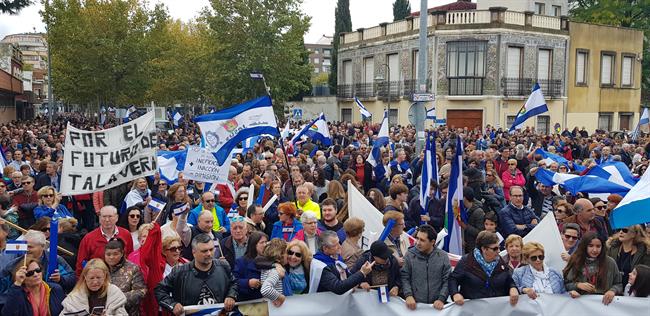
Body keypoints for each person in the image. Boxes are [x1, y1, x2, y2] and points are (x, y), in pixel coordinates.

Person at [155, 233, 238, 315]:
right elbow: (159, 290)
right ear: (194, 252)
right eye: (204, 251)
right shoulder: (179, 272)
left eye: (211, 249)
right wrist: (173, 305)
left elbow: (233, 283)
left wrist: (231, 296)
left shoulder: (223, 266)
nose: (209, 254)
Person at [449, 231, 519, 306]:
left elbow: (509, 279)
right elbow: (453, 279)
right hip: (473, 309)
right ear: (484, 249)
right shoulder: (467, 261)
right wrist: (455, 294)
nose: (498, 251)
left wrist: (513, 288)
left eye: (499, 247)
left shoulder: (500, 262)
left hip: (497, 308)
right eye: (495, 248)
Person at [563, 232, 622, 305]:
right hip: (581, 304)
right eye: (591, 246)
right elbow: (566, 284)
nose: (595, 250)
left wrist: (613, 291)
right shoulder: (576, 260)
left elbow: (618, 284)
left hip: (604, 304)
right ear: (585, 246)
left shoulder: (610, 262)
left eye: (598, 246)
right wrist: (577, 285)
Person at [401, 224, 450, 310]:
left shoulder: (443, 256)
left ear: (432, 242)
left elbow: (447, 279)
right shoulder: (409, 255)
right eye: (417, 238)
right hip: (415, 307)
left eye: (422, 240)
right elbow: (405, 277)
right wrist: (408, 295)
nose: (418, 242)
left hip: (437, 307)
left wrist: (441, 299)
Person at [76, 205, 134, 276]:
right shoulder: (88, 238)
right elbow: (81, 264)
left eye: (110, 216)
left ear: (117, 218)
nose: (107, 220)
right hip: (97, 279)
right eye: (104, 216)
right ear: (99, 218)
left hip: (122, 277)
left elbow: (130, 257)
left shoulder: (126, 234)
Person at [61, 258, 128, 315]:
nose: (95, 282)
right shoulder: (75, 297)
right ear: (85, 277)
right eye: (91, 278)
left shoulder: (114, 293)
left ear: (104, 276)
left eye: (98, 277)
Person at [104, 238, 146, 315]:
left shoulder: (133, 268)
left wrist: (118, 299)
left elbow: (141, 291)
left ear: (122, 253)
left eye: (115, 254)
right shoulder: (101, 268)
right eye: (108, 254)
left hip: (128, 312)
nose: (111, 257)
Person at [233, 231, 268, 301]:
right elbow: (234, 281)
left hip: (268, 302)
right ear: (254, 245)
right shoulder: (241, 261)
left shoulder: (271, 260)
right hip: (249, 302)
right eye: (261, 242)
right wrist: (248, 283)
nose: (265, 245)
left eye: (266, 242)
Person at [258, 238, 288, 307]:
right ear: (279, 255)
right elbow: (265, 289)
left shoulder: (269, 268)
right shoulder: (275, 272)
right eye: (286, 252)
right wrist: (280, 297)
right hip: (276, 309)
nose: (288, 255)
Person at [461, 187, 485, 253]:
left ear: (464, 198)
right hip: (465, 246)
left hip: (473, 248)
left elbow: (480, 232)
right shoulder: (463, 210)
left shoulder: (478, 212)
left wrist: (466, 227)